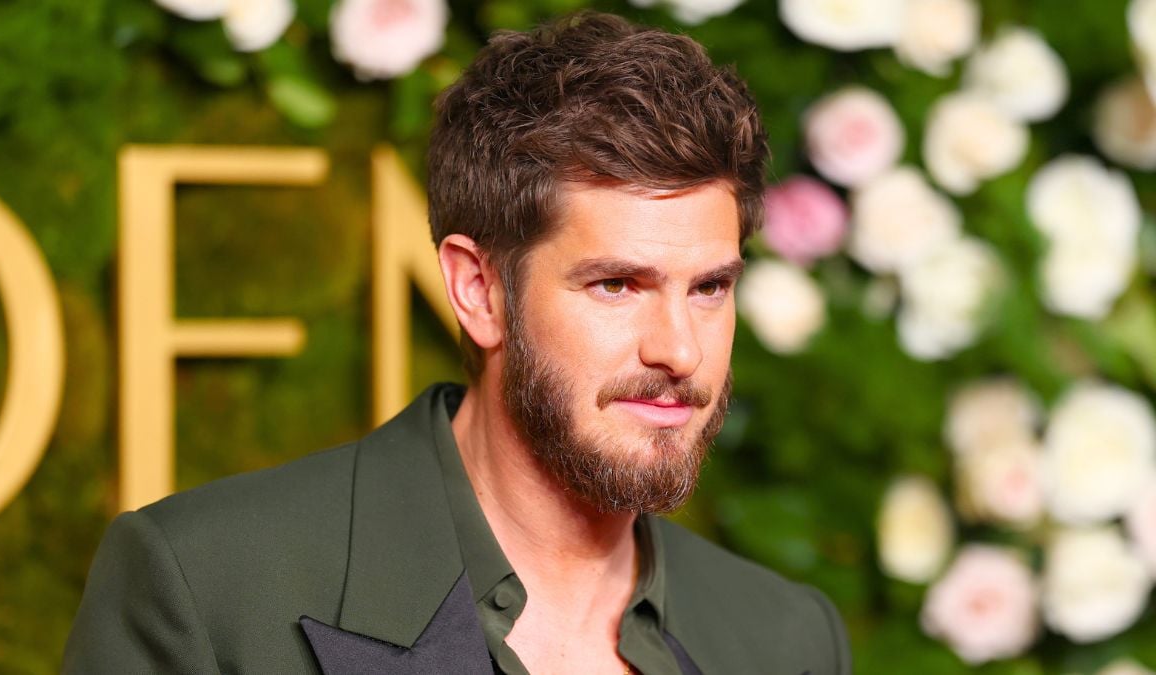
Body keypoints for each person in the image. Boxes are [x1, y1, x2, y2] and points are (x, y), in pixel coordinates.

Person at [64, 11, 851, 674]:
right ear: (479, 289)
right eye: (617, 284)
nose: (680, 351)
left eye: (710, 287)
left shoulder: (789, 638)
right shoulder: (206, 587)